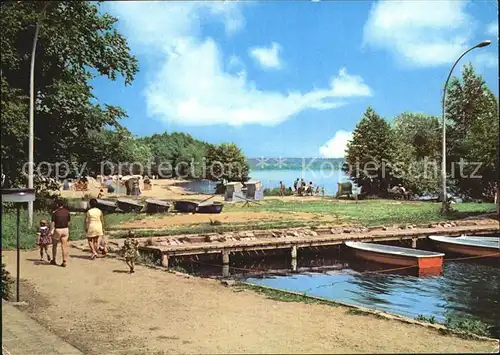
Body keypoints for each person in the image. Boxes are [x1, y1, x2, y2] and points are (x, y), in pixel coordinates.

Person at [50, 199, 71, 267]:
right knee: (64, 246)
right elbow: (68, 222)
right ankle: (64, 261)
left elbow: (53, 223)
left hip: (58, 230)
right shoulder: (67, 212)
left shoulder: (55, 213)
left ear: (57, 205)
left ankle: (53, 259)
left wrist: (51, 231)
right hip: (65, 229)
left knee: (54, 245)